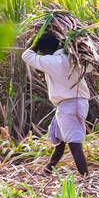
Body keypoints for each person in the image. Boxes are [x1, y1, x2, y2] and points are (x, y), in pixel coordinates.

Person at [22, 29, 90, 175]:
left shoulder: (51, 61)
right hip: (78, 103)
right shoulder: (75, 58)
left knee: (74, 144)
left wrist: (36, 44)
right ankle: (47, 171)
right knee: (60, 141)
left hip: (68, 106)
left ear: (46, 50)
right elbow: (90, 65)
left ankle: (85, 177)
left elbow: (26, 55)